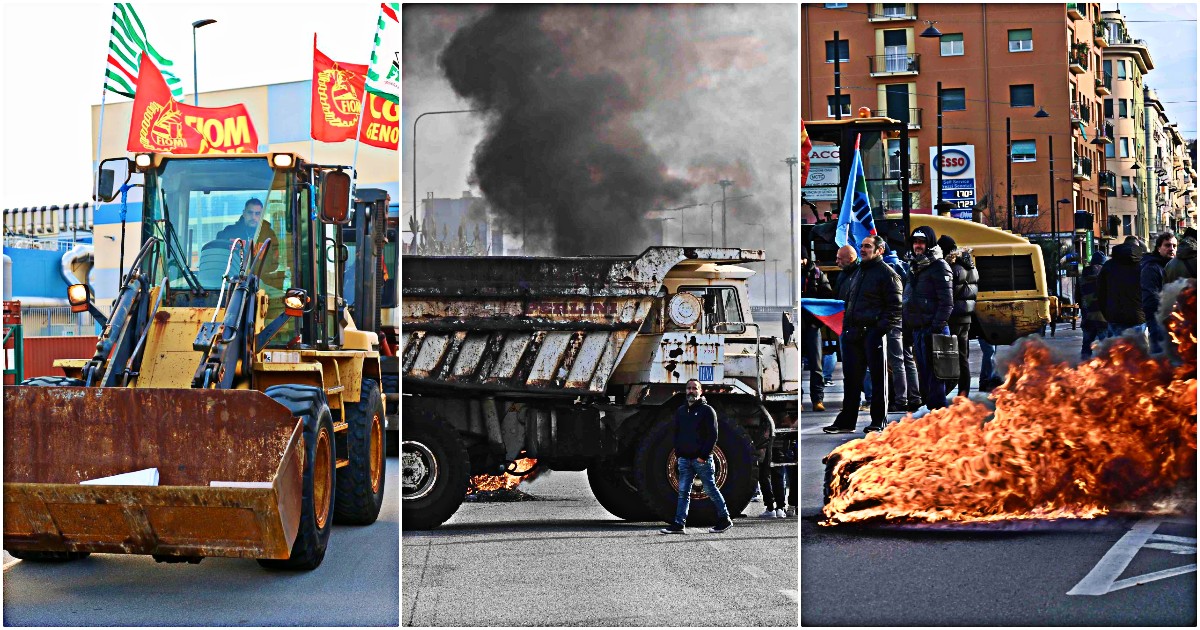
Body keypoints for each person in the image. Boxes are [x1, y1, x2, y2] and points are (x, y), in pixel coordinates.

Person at [823, 235, 902, 434]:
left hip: (872, 334)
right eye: (861, 246)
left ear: (879, 250)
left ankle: (878, 420)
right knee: (851, 381)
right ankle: (846, 421)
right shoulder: (858, 272)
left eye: (867, 246)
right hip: (853, 334)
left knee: (878, 380)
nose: (863, 249)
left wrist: (877, 331)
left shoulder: (887, 274)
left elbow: (896, 307)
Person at [660, 379, 733, 534]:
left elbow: (713, 435)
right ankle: (679, 524)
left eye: (695, 388)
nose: (691, 391)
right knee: (683, 493)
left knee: (711, 489)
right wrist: (679, 453)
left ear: (701, 391)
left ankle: (725, 519)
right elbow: (676, 433)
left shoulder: (707, 410)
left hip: (701, 460)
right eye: (688, 388)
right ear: (685, 391)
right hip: (684, 459)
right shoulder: (680, 411)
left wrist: (703, 456)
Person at [904, 226, 953, 411]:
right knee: (924, 376)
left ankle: (939, 415)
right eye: (915, 242)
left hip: (933, 330)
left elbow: (947, 302)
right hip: (918, 329)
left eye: (922, 242)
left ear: (929, 243)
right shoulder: (914, 266)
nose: (918, 246)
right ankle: (934, 413)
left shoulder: (939, 266)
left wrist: (936, 326)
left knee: (937, 375)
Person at [938, 234, 978, 399]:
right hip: (966, 317)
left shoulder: (951, 267)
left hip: (953, 317)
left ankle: (949, 391)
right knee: (963, 356)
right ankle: (964, 393)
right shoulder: (970, 266)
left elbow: (948, 294)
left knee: (948, 357)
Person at [801, 245, 832, 412]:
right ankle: (799, 399)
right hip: (796, 327)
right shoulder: (792, 274)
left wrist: (817, 322)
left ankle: (817, 399)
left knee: (816, 365)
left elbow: (827, 299)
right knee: (796, 366)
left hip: (812, 326)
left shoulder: (818, 275)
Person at [1097, 237, 1146, 339]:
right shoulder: (1144, 265)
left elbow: (1100, 293)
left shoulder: (1108, 265)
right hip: (1138, 317)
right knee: (1138, 351)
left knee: (1116, 351)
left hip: (1115, 316)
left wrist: (1107, 314)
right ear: (1138, 247)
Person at [214, 198, 281, 272]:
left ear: (262, 215)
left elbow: (274, 263)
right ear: (244, 213)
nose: (253, 217)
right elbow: (218, 259)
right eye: (250, 213)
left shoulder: (269, 235)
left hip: (259, 280)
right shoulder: (229, 232)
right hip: (231, 279)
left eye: (257, 213)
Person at [1140, 232, 1177, 354]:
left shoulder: (1171, 266)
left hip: (1171, 319)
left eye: (1174, 246)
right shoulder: (1152, 267)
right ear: (1158, 248)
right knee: (1160, 357)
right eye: (1167, 245)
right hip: (1158, 320)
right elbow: (1150, 296)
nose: (1171, 249)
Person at [1077, 252, 1108, 359]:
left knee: (1086, 345)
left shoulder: (1082, 277)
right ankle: (1108, 369)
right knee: (1106, 346)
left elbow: (1078, 297)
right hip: (1103, 317)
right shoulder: (1106, 276)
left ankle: (1083, 367)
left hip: (1088, 318)